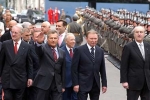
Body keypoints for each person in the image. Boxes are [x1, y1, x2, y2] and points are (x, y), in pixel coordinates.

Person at [71, 29, 107, 100]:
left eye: (95, 38)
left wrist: (104, 84)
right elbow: (74, 69)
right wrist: (75, 83)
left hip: (95, 84)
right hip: (82, 84)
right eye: (91, 39)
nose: (93, 40)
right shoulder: (79, 50)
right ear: (86, 38)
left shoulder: (100, 51)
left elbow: (102, 69)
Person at [0, 24, 33, 100]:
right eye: (12, 32)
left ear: (21, 34)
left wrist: (30, 77)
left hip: (20, 78)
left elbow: (29, 63)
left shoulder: (27, 46)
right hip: (8, 78)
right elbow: (1, 61)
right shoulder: (5, 44)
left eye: (16, 33)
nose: (13, 34)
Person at [33, 30, 66, 100]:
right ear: (47, 39)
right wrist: (39, 42)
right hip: (43, 83)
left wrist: (62, 85)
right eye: (51, 38)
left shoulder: (62, 52)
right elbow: (38, 51)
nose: (53, 40)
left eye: (55, 38)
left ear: (58, 39)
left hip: (57, 85)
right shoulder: (43, 48)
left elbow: (63, 69)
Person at [120, 26, 150, 100]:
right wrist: (124, 80)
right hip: (133, 82)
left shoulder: (148, 46)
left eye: (141, 32)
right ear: (134, 34)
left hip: (147, 82)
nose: (139, 34)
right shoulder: (128, 47)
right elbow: (124, 65)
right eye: (137, 32)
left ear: (144, 34)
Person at [61, 33, 77, 100]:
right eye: (71, 40)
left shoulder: (77, 50)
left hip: (76, 83)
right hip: (65, 83)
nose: (73, 41)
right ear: (66, 41)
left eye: (74, 40)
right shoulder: (61, 51)